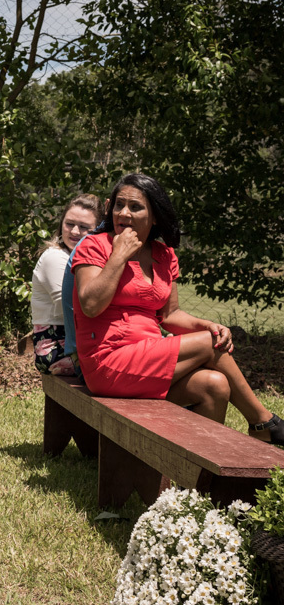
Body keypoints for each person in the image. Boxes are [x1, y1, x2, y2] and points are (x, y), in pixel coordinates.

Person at [72, 173, 283, 445]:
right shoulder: (95, 245)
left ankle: (196, 477)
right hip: (107, 361)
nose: (123, 213)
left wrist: (206, 325)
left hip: (149, 355)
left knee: (214, 385)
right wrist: (119, 256)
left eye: (135, 206)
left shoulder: (164, 255)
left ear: (155, 216)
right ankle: (263, 422)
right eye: (118, 205)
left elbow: (170, 316)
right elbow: (90, 305)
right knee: (210, 344)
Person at [30, 194, 102, 376]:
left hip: (80, 342)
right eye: (69, 224)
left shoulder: (84, 259)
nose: (75, 231)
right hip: (57, 349)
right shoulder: (55, 257)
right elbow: (70, 309)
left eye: (84, 227)